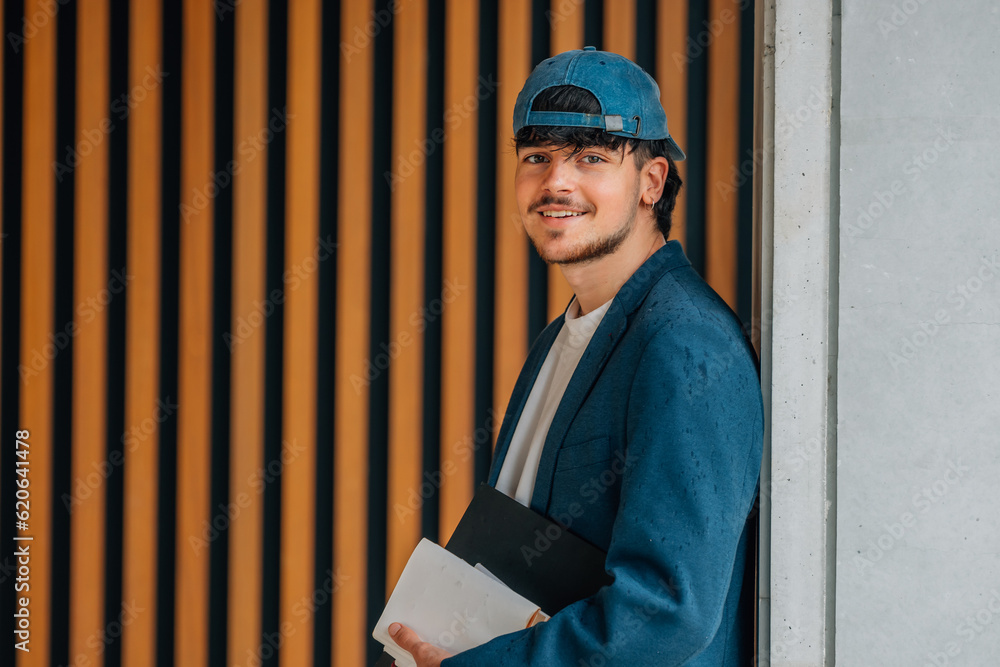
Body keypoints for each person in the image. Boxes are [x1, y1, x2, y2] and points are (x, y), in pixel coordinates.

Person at [389, 46, 763, 666]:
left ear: (652, 180)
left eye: (591, 157)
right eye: (536, 157)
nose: (556, 182)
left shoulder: (684, 344)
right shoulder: (566, 332)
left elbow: (667, 612)